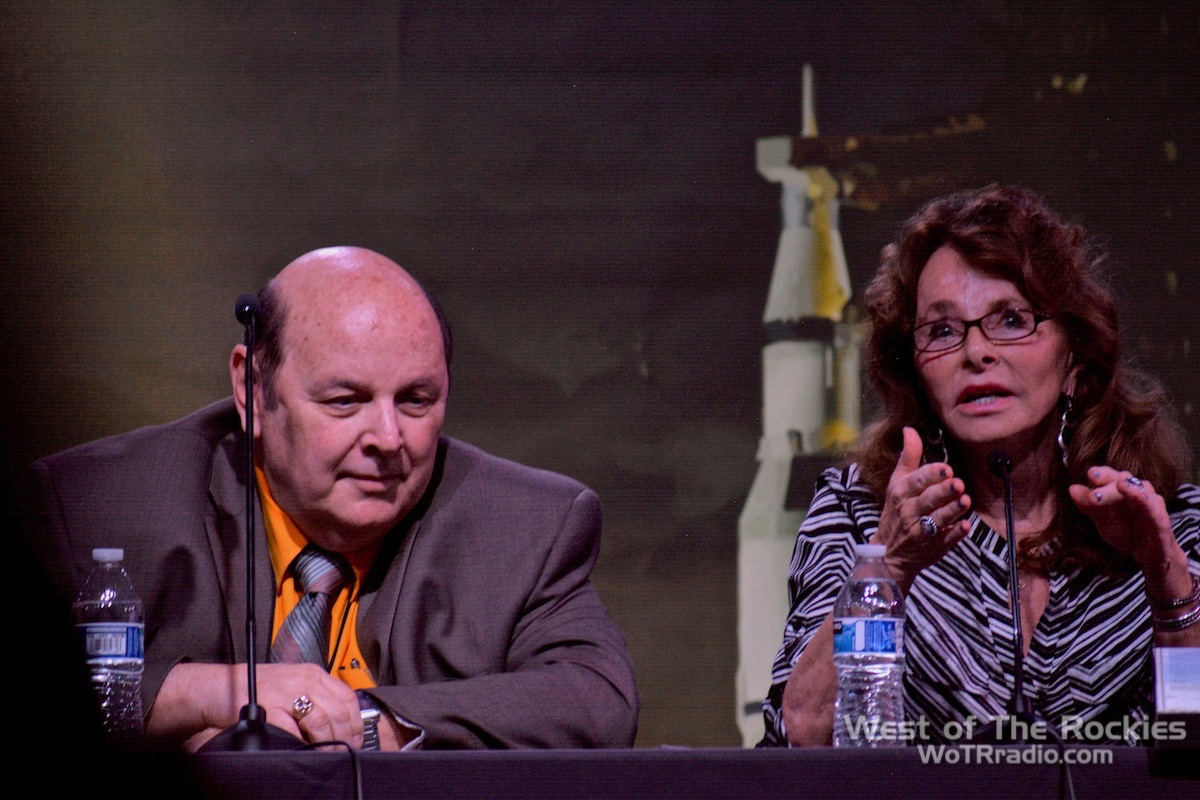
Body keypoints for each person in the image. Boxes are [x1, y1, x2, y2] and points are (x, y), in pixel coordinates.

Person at [22, 246, 639, 751]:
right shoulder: (96, 506)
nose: (389, 440)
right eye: (345, 401)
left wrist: (361, 723)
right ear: (253, 389)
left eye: (417, 401)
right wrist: (217, 694)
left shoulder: (525, 526)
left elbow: (595, 697)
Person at [759, 184, 1199, 747]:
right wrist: (887, 569)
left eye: (1012, 319)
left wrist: (1168, 585)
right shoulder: (858, 514)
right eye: (941, 330)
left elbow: (1191, 747)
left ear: (1073, 360)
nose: (976, 352)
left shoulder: (1173, 527)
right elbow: (805, 731)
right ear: (916, 371)